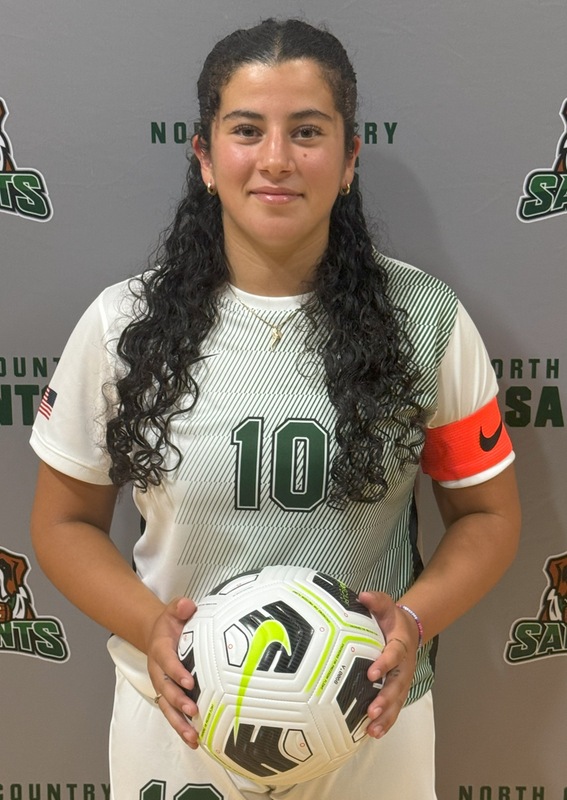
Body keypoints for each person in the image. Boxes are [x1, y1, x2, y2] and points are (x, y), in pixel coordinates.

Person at [30, 17, 521, 800]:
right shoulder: (124, 325)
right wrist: (151, 627)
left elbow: (488, 515)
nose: (276, 160)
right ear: (204, 155)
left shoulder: (424, 319)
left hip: (369, 723)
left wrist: (414, 622)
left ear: (350, 156)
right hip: (181, 721)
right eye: (247, 130)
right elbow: (62, 523)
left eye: (307, 132)